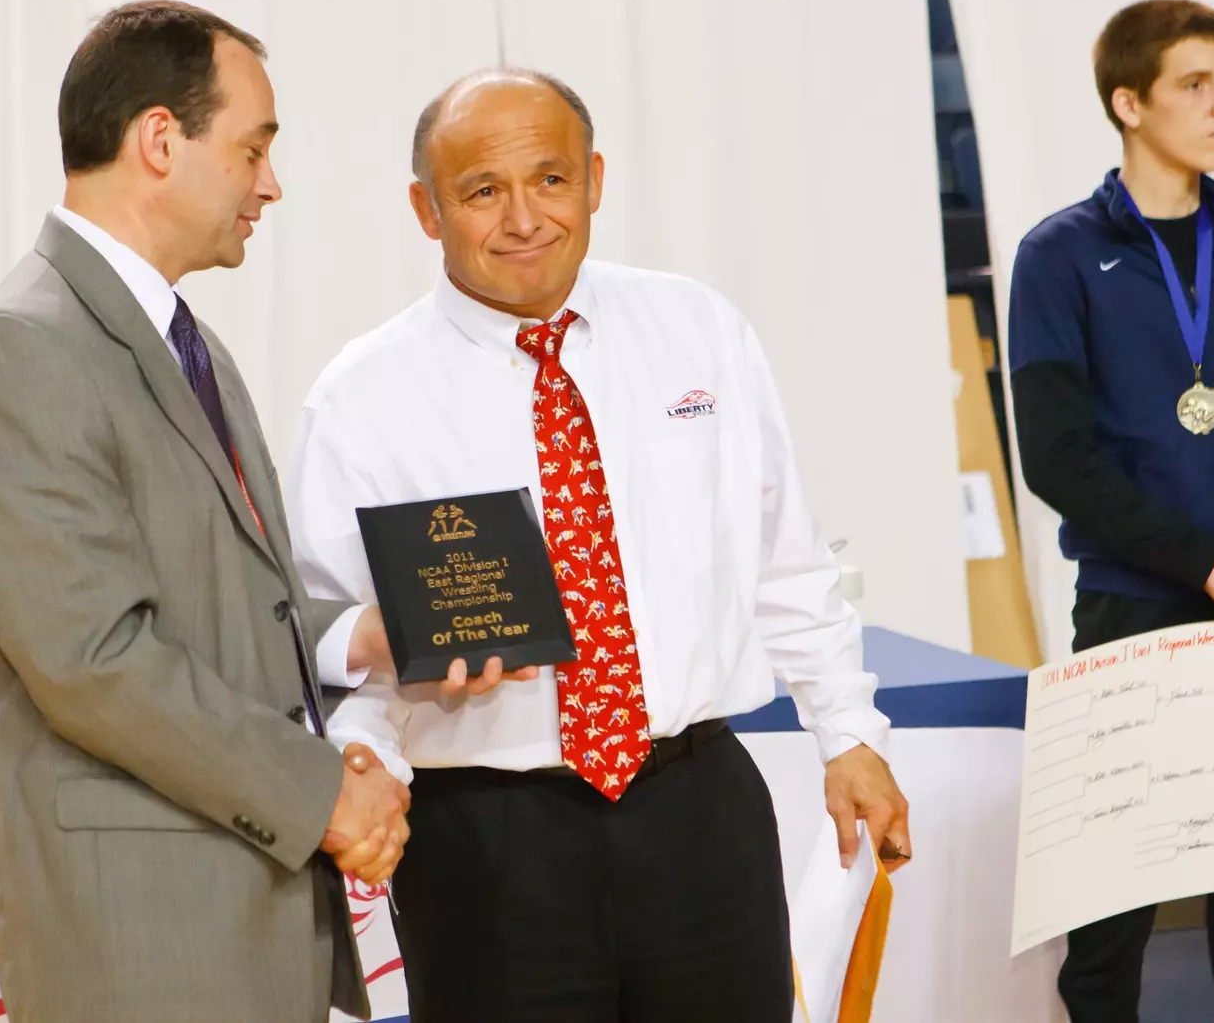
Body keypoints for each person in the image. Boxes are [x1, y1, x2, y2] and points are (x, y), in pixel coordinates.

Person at [285, 68, 910, 1022]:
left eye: (550, 179)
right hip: (487, 842)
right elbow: (335, 640)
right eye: (482, 191)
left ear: (596, 179)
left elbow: (787, 557)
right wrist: (368, 777)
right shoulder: (364, 398)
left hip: (698, 809)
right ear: (426, 209)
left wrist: (848, 733)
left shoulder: (700, 331)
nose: (524, 217)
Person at [0, 0, 412, 1023]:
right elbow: (97, 662)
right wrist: (322, 790)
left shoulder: (185, 342)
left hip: (239, 914)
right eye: (252, 148)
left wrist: (353, 637)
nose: (271, 184)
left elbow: (213, 595)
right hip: (146, 941)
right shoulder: (18, 351)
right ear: (157, 139)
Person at [1008, 0, 1214, 1023]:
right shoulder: (1062, 254)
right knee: (1112, 903)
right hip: (1131, 608)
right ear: (1129, 102)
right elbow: (1059, 459)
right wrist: (1213, 564)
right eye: (1195, 83)